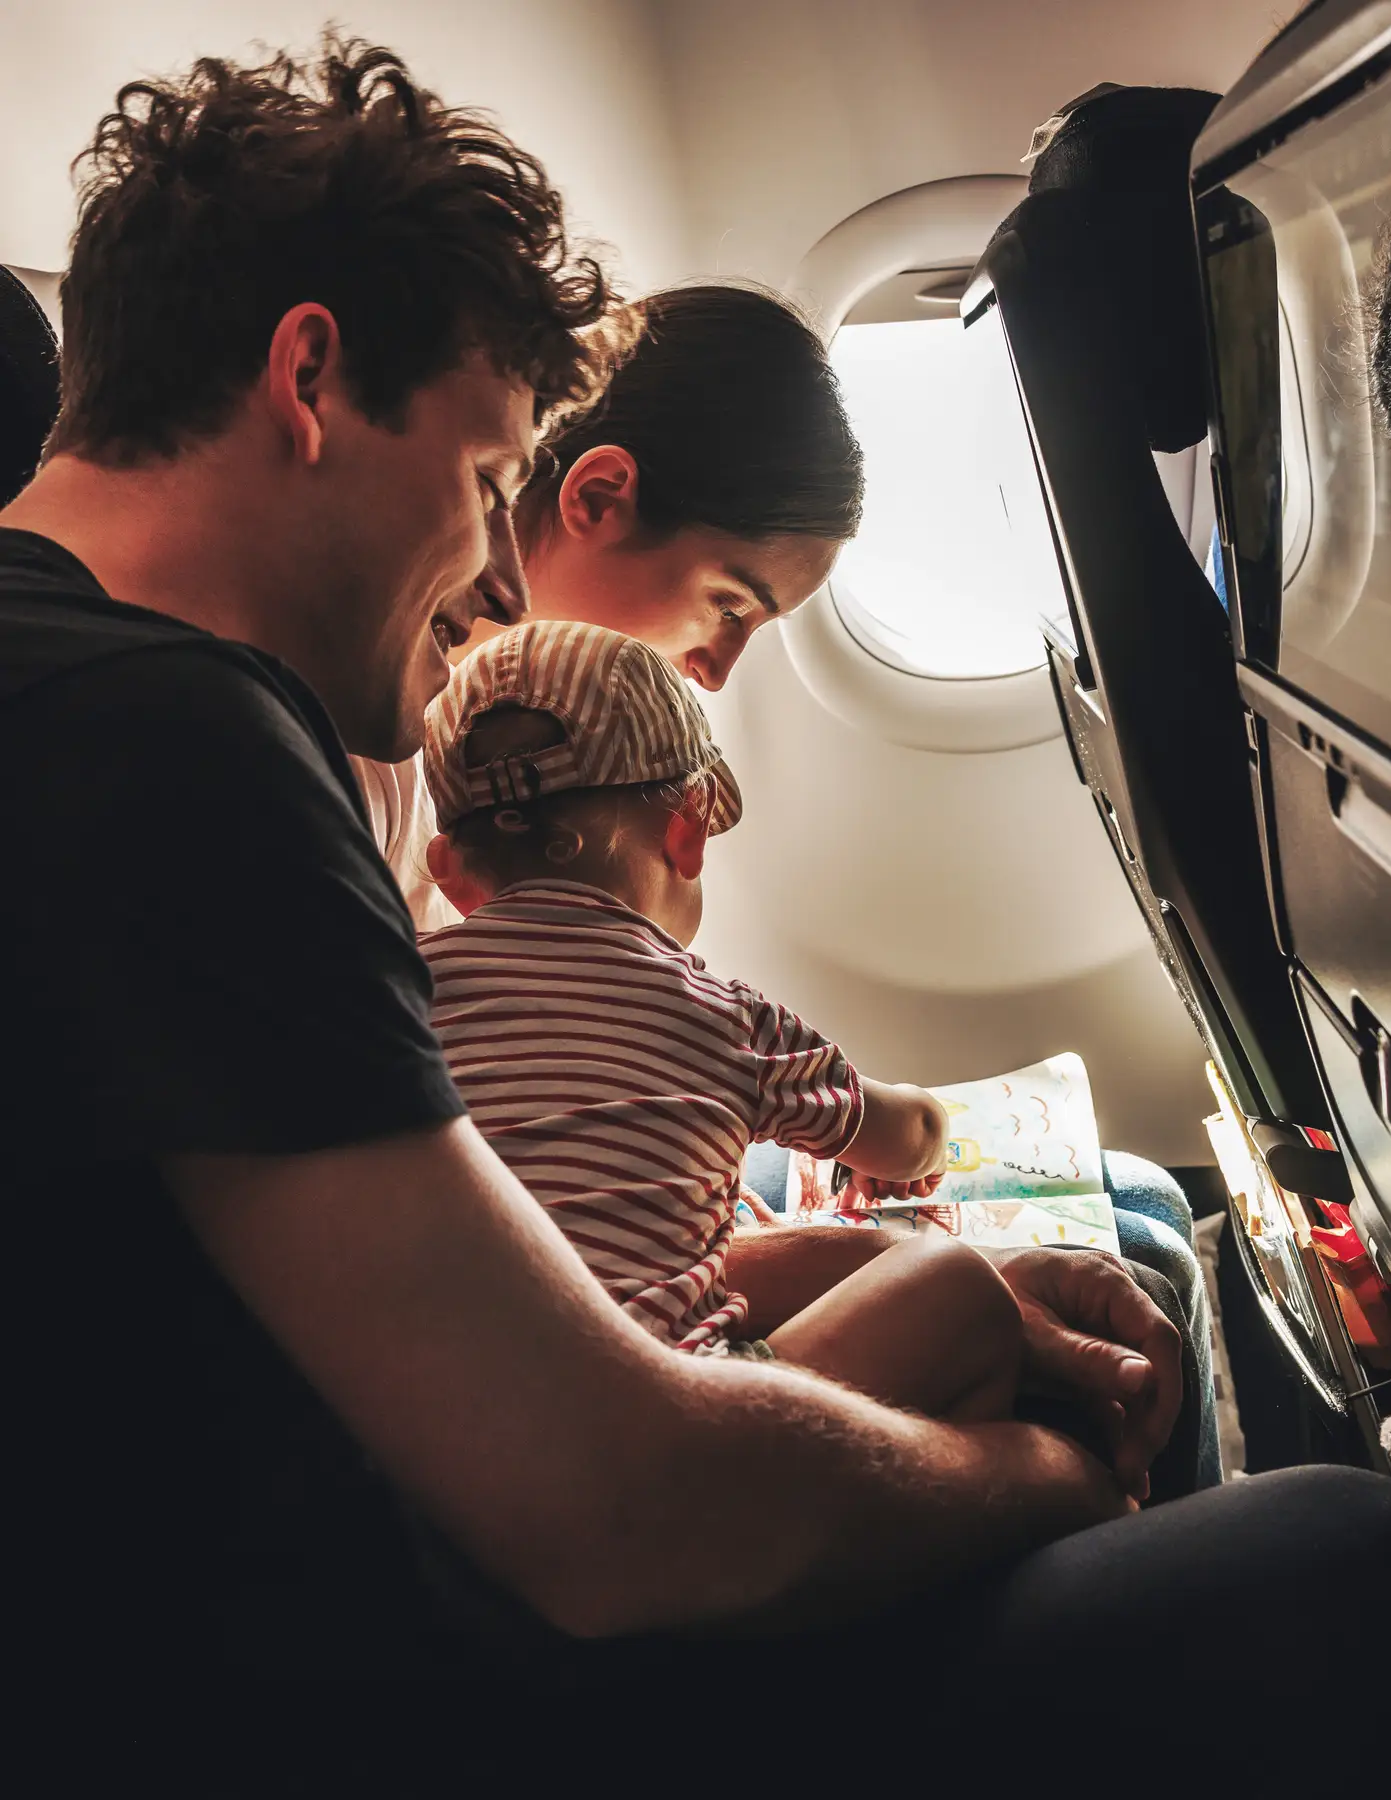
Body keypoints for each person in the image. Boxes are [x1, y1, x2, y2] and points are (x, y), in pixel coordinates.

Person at [1, 36, 1391, 1758]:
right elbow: (619, 1519)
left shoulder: (99, 693)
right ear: (308, 381)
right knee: (1344, 1549)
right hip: (431, 1682)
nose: (499, 571)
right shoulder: (173, 752)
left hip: (378, 1554)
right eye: (487, 482)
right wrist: (1048, 1476)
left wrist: (850, 1278)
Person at [364, 276, 1226, 1483]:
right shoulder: (391, 755)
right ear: (597, 498)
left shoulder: (496, 758)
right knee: (1136, 1255)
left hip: (563, 1246)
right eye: (730, 604)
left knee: (1142, 1204)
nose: (716, 672)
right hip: (569, 1343)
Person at [420, 618, 1026, 1430]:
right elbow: (907, 1137)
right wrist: (926, 1128)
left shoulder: (396, 997)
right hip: (681, 1430)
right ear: (689, 829)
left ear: (450, 875)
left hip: (447, 1431)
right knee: (955, 1288)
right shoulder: (726, 1016)